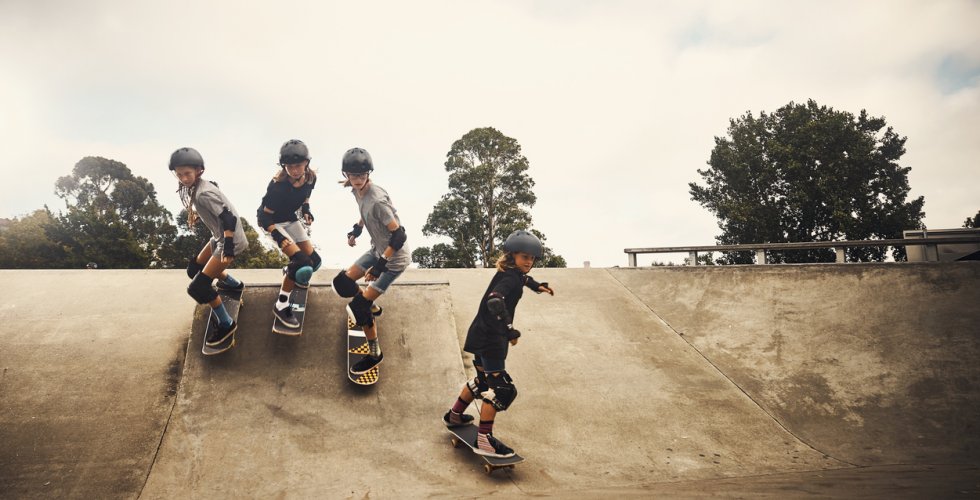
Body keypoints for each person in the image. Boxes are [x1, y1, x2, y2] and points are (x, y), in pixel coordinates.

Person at [441, 230, 554, 458]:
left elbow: (524, 279)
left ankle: (454, 415)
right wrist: (510, 329)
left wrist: (537, 286)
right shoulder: (510, 278)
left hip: (479, 335)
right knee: (501, 389)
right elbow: (495, 301)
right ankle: (484, 439)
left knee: (482, 381)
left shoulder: (512, 273)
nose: (529, 262)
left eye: (532, 258)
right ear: (513, 255)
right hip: (492, 339)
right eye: (525, 257)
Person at [332, 147, 409, 374]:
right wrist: (356, 230)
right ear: (346, 174)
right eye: (353, 176)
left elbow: (399, 235)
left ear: (369, 174)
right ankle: (372, 305)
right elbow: (365, 213)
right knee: (342, 283)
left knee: (358, 308)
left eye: (362, 176)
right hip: (377, 250)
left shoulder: (377, 200)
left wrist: (379, 266)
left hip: (393, 259)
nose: (357, 180)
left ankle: (375, 353)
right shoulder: (357, 190)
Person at [169, 147, 249, 349]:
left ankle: (226, 324)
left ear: (199, 171)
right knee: (194, 269)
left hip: (229, 240)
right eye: (179, 175)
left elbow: (228, 219)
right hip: (219, 237)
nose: (184, 178)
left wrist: (228, 247)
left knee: (199, 287)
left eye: (187, 174)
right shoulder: (202, 187)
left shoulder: (203, 193)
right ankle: (233, 285)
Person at [256, 139, 322, 328]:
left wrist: (307, 209)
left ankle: (289, 272)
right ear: (283, 166)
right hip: (273, 222)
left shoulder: (311, 178)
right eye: (289, 166)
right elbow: (264, 217)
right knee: (303, 263)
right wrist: (278, 236)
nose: (294, 170)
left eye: (298, 166)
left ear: (306, 164)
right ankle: (281, 304)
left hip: (291, 218)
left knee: (315, 262)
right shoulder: (278, 187)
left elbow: (306, 195)